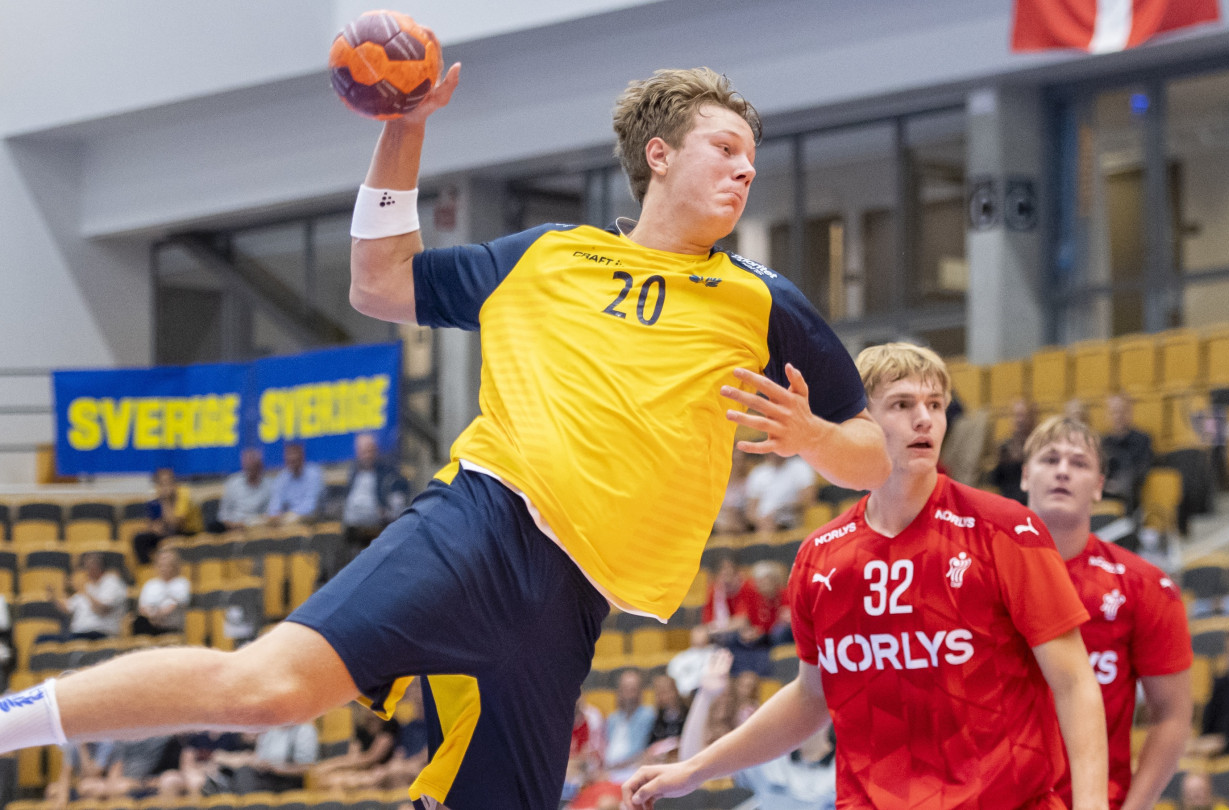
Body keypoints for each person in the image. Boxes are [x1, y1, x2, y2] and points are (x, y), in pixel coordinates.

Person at [0, 67, 890, 810]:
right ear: (658, 156)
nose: (746, 168)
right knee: (270, 691)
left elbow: (873, 454)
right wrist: (405, 129)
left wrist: (812, 435)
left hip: (572, 603)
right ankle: (13, 721)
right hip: (484, 522)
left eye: (752, 156)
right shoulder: (548, 257)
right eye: (725, 148)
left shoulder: (762, 299)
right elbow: (379, 282)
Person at [623, 343, 1107, 810]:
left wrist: (1091, 804)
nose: (925, 419)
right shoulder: (820, 558)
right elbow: (812, 697)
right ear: (859, 423)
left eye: (935, 405)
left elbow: (1074, 682)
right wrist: (695, 769)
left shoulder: (1006, 530)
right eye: (902, 404)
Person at [1023, 415, 1194, 810]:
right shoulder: (979, 577)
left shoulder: (1143, 586)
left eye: (1079, 463)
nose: (1063, 471)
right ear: (1025, 475)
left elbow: (1172, 715)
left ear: (1099, 486)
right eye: (1049, 459)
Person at [676, 650, 835, 810]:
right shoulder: (768, 759)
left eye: (816, 700)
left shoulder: (844, 766)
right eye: (801, 701)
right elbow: (693, 765)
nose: (806, 710)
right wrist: (705, 696)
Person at [340, 432, 411, 562]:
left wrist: (386, 511)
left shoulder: (388, 474)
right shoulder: (353, 473)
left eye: (369, 450)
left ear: (376, 450)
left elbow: (398, 505)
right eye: (363, 451)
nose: (366, 455)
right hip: (352, 526)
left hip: (377, 526)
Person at [45, 552, 127, 642]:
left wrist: (86, 593)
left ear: (98, 566)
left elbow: (101, 610)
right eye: (86, 566)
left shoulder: (112, 583)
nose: (86, 569)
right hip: (79, 633)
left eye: (89, 565)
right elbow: (68, 607)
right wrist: (53, 598)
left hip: (101, 633)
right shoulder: (88, 585)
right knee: (44, 638)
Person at [132, 468, 203, 566]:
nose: (166, 487)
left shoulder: (183, 495)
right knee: (140, 539)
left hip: (188, 533)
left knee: (172, 539)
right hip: (167, 533)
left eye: (169, 482)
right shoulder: (154, 502)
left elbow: (177, 525)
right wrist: (154, 528)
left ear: (175, 483)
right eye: (162, 484)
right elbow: (151, 525)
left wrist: (165, 500)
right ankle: (148, 569)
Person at [1100, 395, 1154, 513]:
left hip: (1133, 496)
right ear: (1107, 416)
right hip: (1105, 494)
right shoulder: (1103, 443)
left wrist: (1120, 484)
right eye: (1114, 412)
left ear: (1130, 413)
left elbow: (1143, 468)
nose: (1118, 416)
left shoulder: (1142, 440)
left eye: (1122, 411)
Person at [604, 669, 657, 781]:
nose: (629, 694)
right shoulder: (612, 718)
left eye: (633, 689)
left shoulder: (648, 716)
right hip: (609, 771)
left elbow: (647, 750)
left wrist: (620, 765)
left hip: (633, 770)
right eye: (625, 688)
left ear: (640, 691)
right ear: (619, 691)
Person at [745, 455, 817, 533]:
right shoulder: (758, 472)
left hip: (789, 521)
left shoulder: (800, 467)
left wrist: (781, 510)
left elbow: (808, 500)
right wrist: (762, 521)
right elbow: (750, 511)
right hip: (763, 523)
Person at [133, 547, 191, 636]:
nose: (164, 568)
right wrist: (152, 615)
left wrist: (159, 615)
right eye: (161, 565)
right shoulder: (150, 585)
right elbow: (142, 607)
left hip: (172, 628)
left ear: (174, 566)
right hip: (150, 625)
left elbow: (175, 605)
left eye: (168, 565)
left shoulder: (181, 583)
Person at [989, 398, 1037, 504]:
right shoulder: (1004, 447)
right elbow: (994, 482)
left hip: (1031, 503)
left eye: (1023, 415)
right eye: (1016, 415)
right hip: (1008, 503)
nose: (1019, 420)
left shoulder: (1038, 446)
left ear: (1031, 418)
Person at [265, 442, 325, 524]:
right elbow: (275, 503)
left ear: (302, 457)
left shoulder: (313, 474)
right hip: (286, 520)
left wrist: (291, 515)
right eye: (289, 458)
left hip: (310, 520)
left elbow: (311, 505)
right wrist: (275, 514)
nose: (291, 460)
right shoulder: (282, 478)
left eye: (294, 458)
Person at [215, 447, 272, 531]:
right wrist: (233, 525)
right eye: (247, 466)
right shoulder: (233, 483)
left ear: (260, 467)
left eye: (254, 466)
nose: (250, 469)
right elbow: (223, 514)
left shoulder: (269, 486)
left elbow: (270, 514)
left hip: (258, 528)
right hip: (233, 527)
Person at [666, 625, 717, 699]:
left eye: (701, 632)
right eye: (697, 632)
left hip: (707, 693)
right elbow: (672, 674)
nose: (699, 636)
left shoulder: (715, 654)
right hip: (684, 695)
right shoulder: (681, 658)